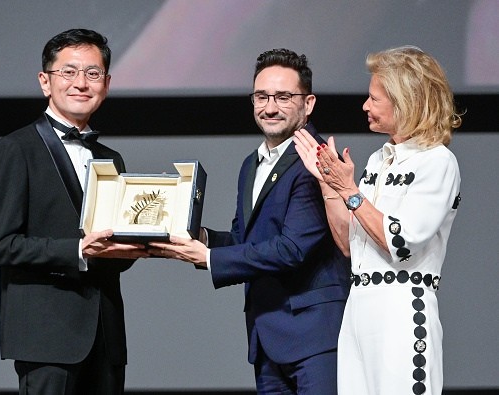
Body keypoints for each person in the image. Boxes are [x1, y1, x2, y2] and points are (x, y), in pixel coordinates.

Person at [148, 49, 351, 394]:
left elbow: (291, 249)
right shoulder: (251, 164)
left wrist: (208, 258)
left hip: (314, 338)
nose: (270, 107)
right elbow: (247, 238)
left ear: (309, 103)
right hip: (267, 336)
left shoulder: (317, 161)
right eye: (261, 96)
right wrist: (200, 237)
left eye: (284, 97)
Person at [0, 29, 149, 395]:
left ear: (106, 84)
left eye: (92, 74)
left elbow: (111, 249)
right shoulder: (14, 150)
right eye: (68, 72)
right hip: (46, 340)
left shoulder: (111, 158)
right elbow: (4, 246)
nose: (81, 83)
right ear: (45, 82)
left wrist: (142, 242)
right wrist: (78, 250)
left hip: (105, 337)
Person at [294, 45, 462, 395]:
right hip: (359, 309)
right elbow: (347, 243)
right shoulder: (377, 160)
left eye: (374, 98)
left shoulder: (437, 162)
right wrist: (328, 183)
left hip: (401, 310)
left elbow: (399, 242)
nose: (365, 106)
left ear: (406, 102)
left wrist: (350, 191)